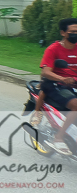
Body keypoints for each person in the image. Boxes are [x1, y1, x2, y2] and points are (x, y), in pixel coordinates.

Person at [39, 17, 77, 155]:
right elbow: (46, 72)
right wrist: (62, 79)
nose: (76, 34)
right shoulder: (53, 49)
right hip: (57, 84)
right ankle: (58, 138)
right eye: (73, 32)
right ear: (63, 32)